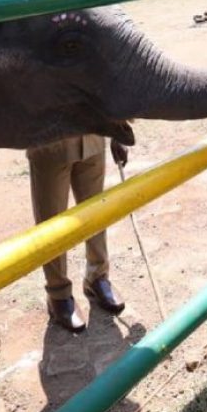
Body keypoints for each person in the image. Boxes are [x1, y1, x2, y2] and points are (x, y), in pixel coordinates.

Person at [27, 126, 134, 332]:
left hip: (93, 137)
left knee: (96, 214)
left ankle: (97, 277)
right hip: (51, 144)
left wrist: (116, 130)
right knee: (52, 224)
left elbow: (107, 92)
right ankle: (58, 294)